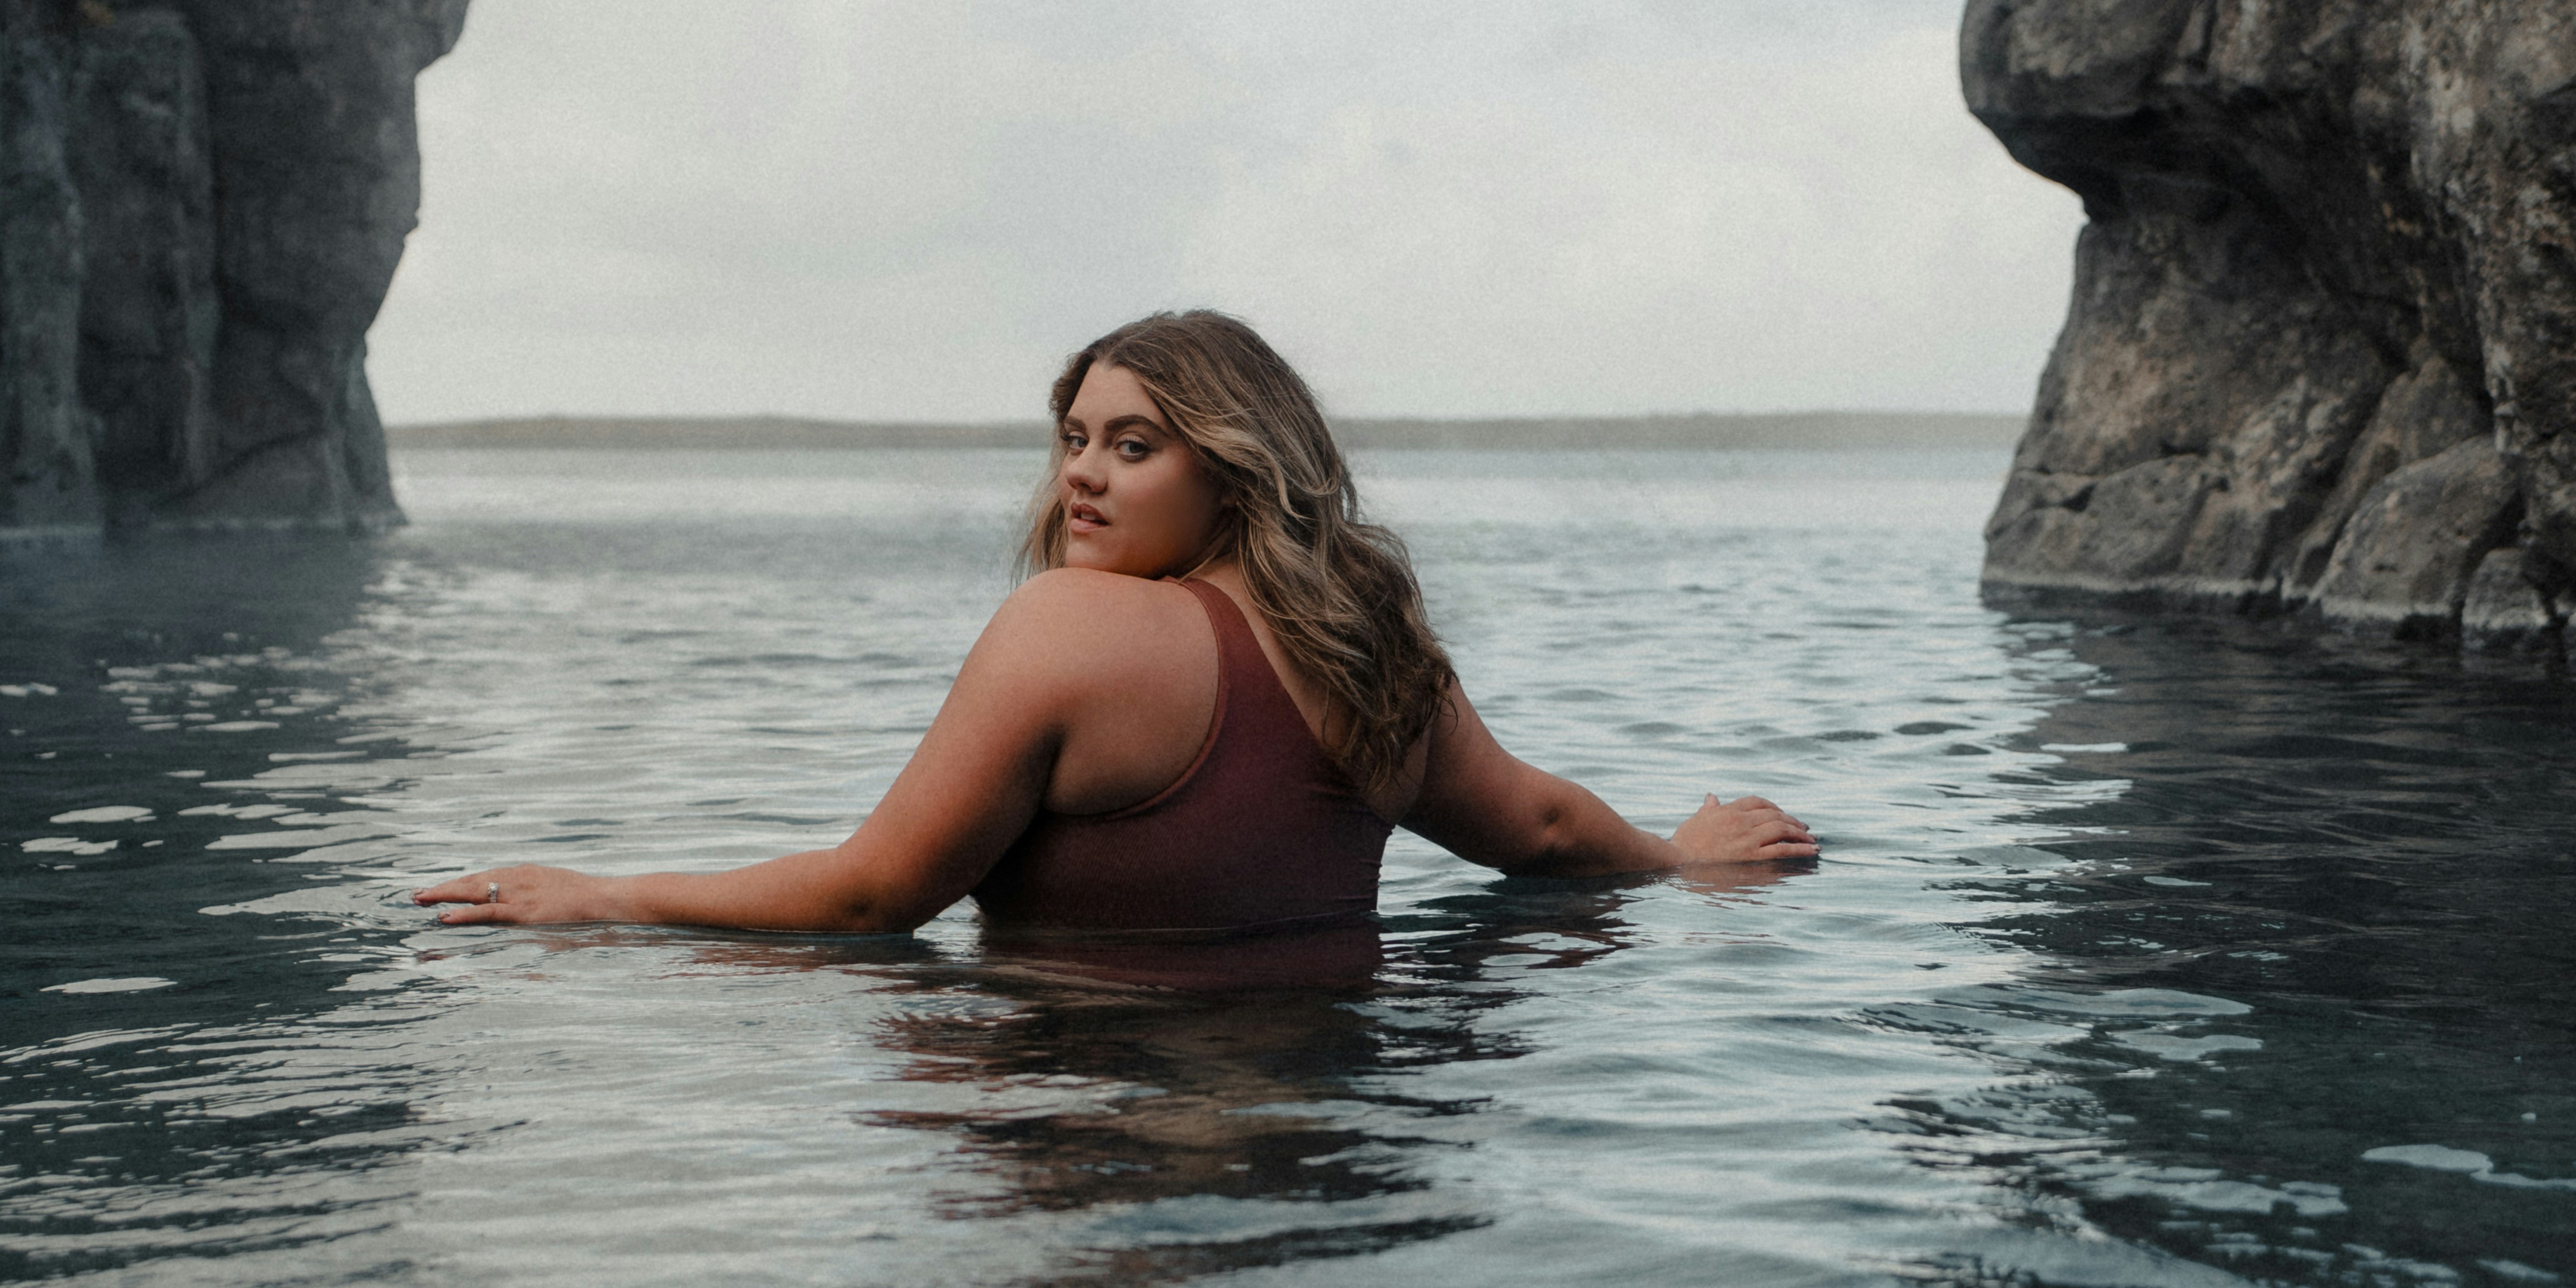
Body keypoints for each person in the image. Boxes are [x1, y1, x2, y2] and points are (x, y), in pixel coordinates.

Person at [414, 308, 1817, 944]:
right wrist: (1682, 858)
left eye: (1133, 445)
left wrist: (600, 895)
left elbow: (869, 899)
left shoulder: (1068, 631)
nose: (1081, 472)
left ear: (1232, 461)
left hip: (1078, 1121)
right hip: (1334, 1142)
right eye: (1075, 436)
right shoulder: (1371, 643)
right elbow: (1547, 835)